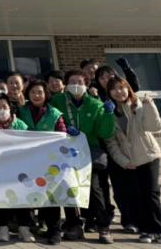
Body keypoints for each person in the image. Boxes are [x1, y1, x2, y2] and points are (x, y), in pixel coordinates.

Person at [50, 69, 116, 244]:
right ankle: (74, 225)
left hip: (89, 152)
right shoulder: (57, 101)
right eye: (72, 82)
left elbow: (104, 132)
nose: (76, 85)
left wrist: (108, 115)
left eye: (80, 82)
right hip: (65, 152)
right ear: (66, 84)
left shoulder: (95, 104)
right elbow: (52, 121)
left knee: (94, 189)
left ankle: (104, 227)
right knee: (68, 187)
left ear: (87, 84)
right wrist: (65, 130)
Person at [105, 75, 161, 244]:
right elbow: (111, 143)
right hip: (129, 161)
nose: (119, 92)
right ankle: (145, 230)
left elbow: (154, 126)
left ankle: (158, 229)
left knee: (151, 194)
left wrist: (150, 106)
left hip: (148, 156)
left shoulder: (138, 105)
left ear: (127, 88)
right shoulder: (109, 113)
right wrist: (123, 161)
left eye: (121, 87)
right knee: (137, 196)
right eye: (114, 89)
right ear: (109, 93)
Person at [18, 79, 66, 245]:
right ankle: (28, 226)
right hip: (25, 160)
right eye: (32, 92)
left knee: (50, 194)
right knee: (24, 192)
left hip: (48, 161)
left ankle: (54, 229)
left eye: (40, 92)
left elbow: (62, 134)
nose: (36, 95)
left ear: (46, 94)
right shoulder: (21, 111)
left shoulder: (55, 114)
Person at [0, 93, 33, 243]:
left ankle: (24, 228)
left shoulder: (21, 125)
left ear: (10, 108)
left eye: (4, 106)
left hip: (19, 167)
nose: (1, 109)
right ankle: (2, 227)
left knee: (22, 196)